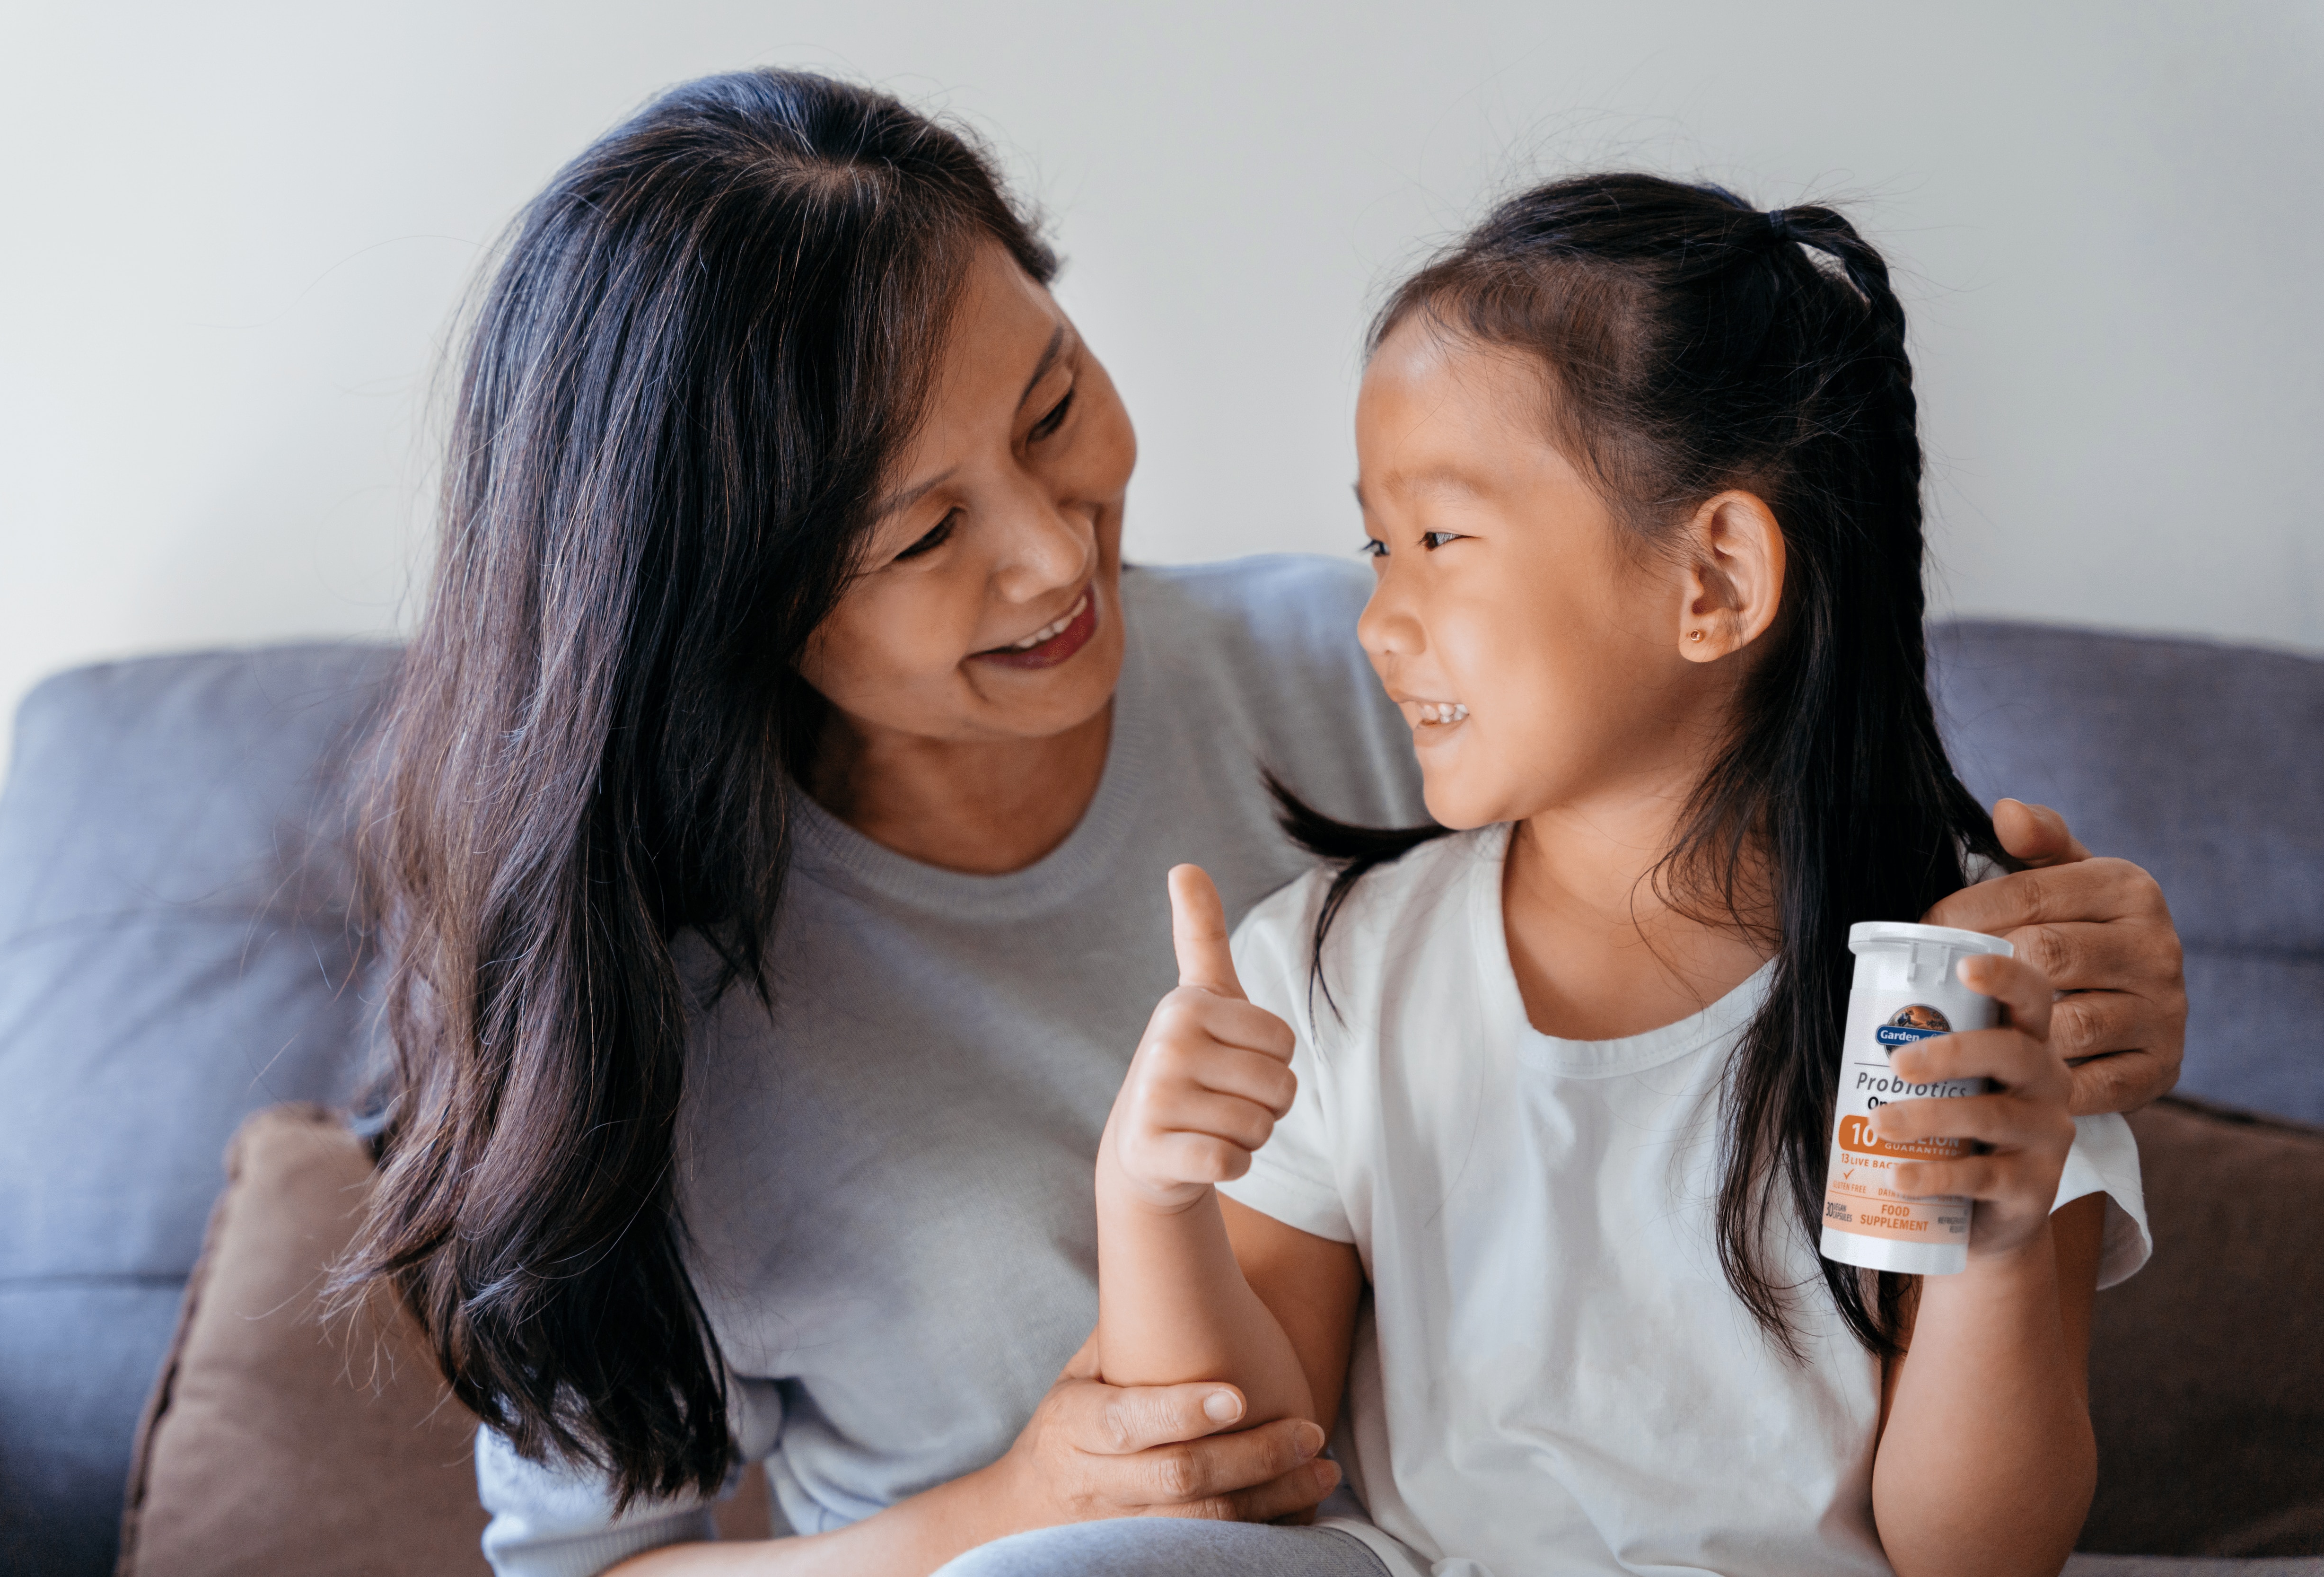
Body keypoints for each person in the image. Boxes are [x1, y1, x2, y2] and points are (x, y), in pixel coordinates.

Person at [336, 72, 2188, 1577]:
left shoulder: (1402, 687)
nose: (1055, 553)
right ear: (729, 608)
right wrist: (999, 1514)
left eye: (1053, 405)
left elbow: (1738, 781)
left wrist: (2078, 1010)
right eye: (920, 536)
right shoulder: (617, 1000)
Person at [1015, 176, 2149, 1577]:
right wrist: (1153, 1197)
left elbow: (1976, 1557)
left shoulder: (1959, 987)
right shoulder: (1331, 967)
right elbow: (1255, 1474)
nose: (1377, 619)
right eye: (1379, 544)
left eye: (1438, 539)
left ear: (1716, 580)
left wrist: (1996, 1234)